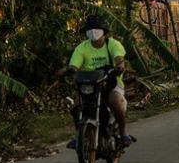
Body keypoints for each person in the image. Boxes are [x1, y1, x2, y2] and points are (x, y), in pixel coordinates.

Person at [57, 15, 134, 148]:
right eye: (90, 30)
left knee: (115, 101)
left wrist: (119, 66)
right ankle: (80, 136)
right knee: (77, 107)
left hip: (111, 83)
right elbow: (74, 66)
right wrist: (68, 70)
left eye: (97, 29)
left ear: (104, 31)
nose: (93, 32)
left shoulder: (113, 44)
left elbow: (118, 58)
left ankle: (123, 133)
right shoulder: (81, 48)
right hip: (90, 85)